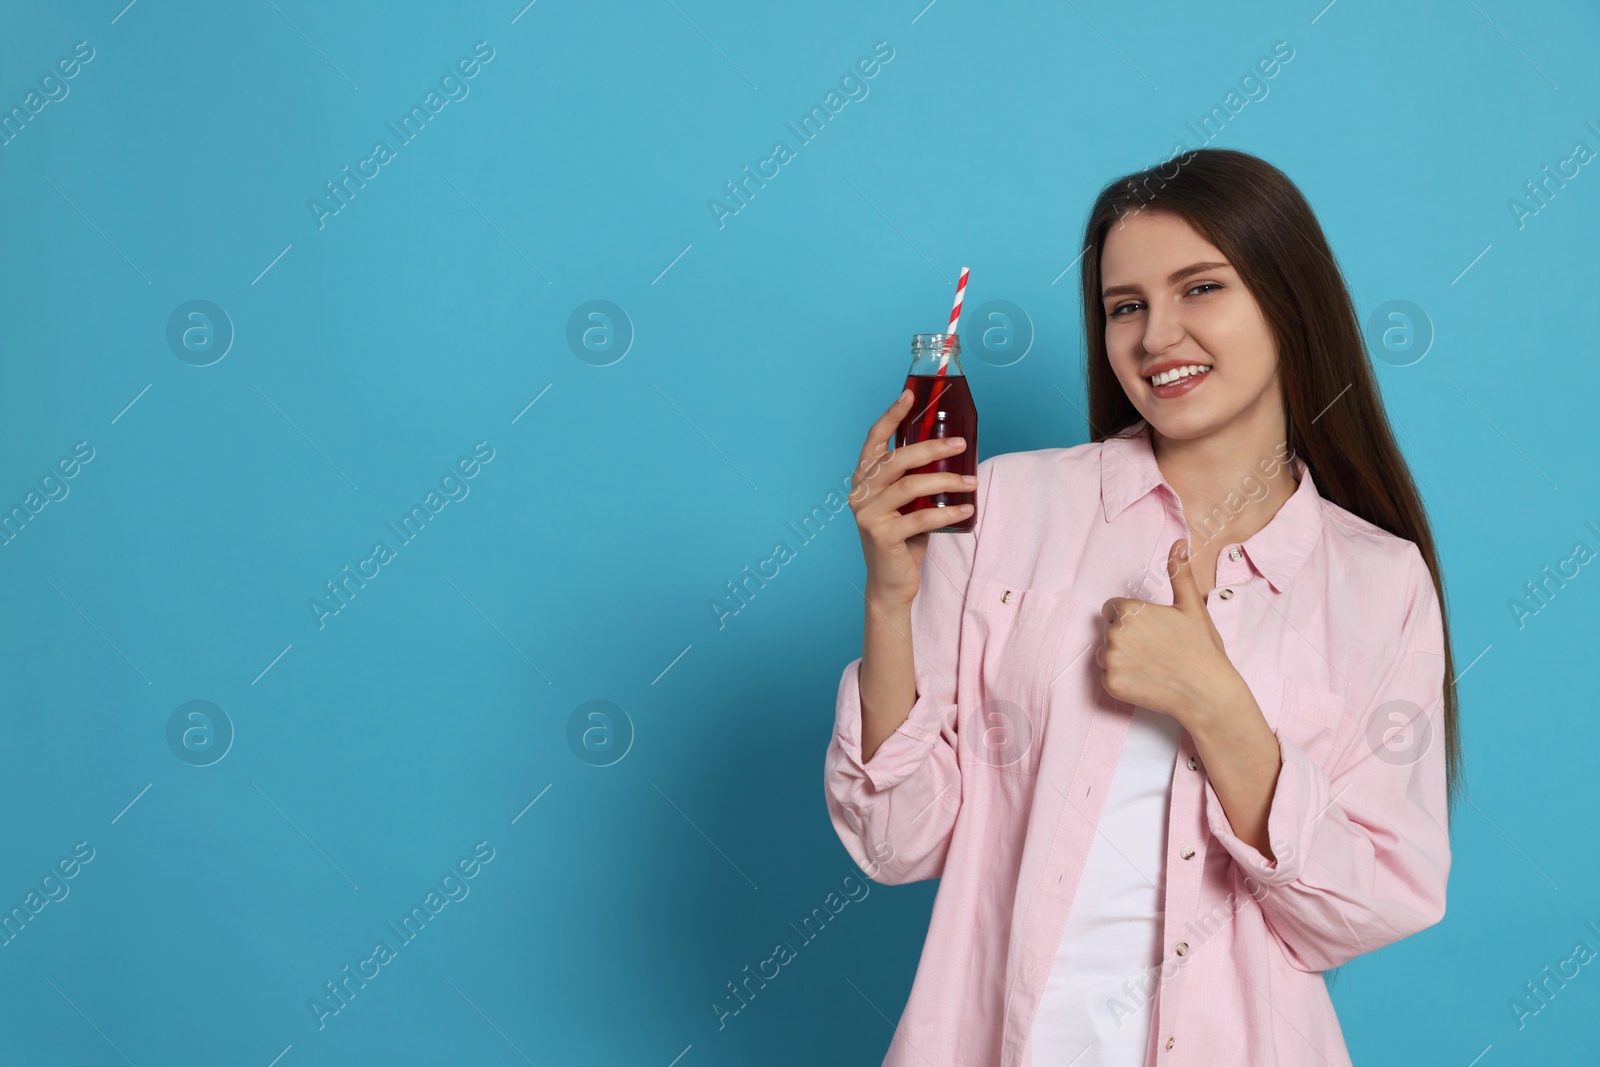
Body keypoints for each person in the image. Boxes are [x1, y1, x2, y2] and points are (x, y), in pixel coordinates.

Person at [825, 148, 1460, 1067]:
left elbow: (1373, 904)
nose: (1157, 335)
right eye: (1126, 305)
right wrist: (891, 598)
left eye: (1200, 287)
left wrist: (1217, 706)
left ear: (1289, 299)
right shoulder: (1005, 507)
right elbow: (896, 840)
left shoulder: (1380, 581)